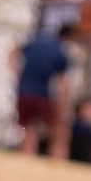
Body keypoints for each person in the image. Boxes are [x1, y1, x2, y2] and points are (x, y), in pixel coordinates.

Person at [14, 23, 74, 158]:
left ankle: (27, 156)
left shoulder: (37, 41)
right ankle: (57, 158)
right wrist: (64, 104)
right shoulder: (61, 53)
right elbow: (63, 83)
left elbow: (14, 53)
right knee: (57, 130)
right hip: (43, 95)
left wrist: (16, 75)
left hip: (23, 93)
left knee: (28, 128)